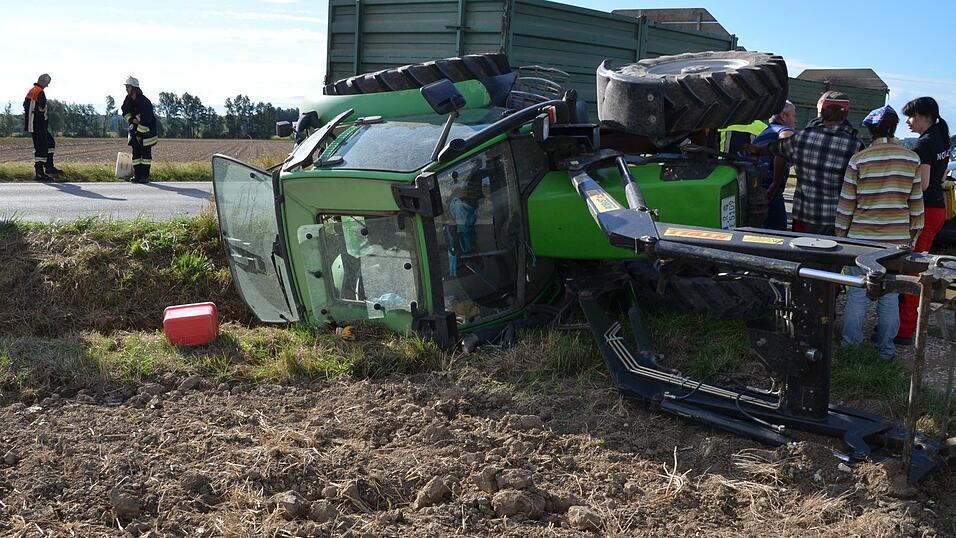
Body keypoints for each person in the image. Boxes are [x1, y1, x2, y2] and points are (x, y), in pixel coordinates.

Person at [835, 105, 923, 359]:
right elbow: (916, 207)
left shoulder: (859, 159)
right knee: (890, 295)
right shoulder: (911, 159)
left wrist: (841, 236)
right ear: (894, 128)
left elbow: (846, 205)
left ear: (870, 131)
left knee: (857, 292)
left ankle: (850, 348)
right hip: (896, 242)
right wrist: (912, 237)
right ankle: (885, 351)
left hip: (860, 239)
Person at [747, 91, 865, 235]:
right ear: (846, 114)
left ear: (821, 112)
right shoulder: (856, 145)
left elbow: (775, 149)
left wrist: (755, 149)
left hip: (803, 217)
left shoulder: (802, 138)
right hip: (836, 219)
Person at [896, 96, 952, 345]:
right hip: (939, 209)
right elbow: (941, 179)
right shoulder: (941, 136)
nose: (908, 121)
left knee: (913, 270)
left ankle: (905, 330)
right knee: (919, 267)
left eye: (911, 116)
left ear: (926, 116)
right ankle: (909, 323)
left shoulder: (923, 145)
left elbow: (924, 183)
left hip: (925, 212)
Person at [753, 101, 796, 230]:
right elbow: (782, 148)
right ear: (783, 116)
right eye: (794, 115)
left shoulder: (765, 132)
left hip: (756, 187)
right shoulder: (785, 130)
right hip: (770, 191)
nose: (796, 120)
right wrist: (775, 184)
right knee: (778, 233)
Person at [23, 74, 62, 181]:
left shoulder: (34, 90)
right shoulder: (39, 91)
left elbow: (27, 105)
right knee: (41, 147)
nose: (48, 85)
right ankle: (39, 173)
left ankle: (49, 167)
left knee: (50, 142)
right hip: (37, 124)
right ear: (43, 81)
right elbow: (41, 107)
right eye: (47, 83)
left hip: (38, 124)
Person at [120, 76, 158, 183]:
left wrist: (140, 133)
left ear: (134, 88)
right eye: (126, 87)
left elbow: (146, 120)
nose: (126, 89)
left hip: (147, 132)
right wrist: (131, 120)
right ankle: (137, 176)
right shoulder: (128, 99)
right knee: (136, 154)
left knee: (145, 155)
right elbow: (125, 111)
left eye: (128, 87)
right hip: (135, 130)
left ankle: (144, 176)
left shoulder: (144, 102)